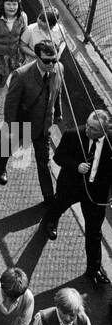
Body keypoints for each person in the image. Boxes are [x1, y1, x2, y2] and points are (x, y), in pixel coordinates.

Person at [46, 109, 112, 283]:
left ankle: (94, 269)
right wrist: (76, 166)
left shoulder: (111, 144)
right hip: (71, 186)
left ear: (105, 131)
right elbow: (58, 157)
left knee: (94, 232)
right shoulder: (73, 134)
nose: (88, 131)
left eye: (94, 129)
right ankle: (51, 221)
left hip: (96, 194)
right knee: (58, 205)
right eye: (88, 126)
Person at [0, 39, 63, 200]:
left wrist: (58, 114)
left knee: (43, 161)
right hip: (22, 124)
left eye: (54, 60)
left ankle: (48, 197)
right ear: (37, 57)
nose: (51, 64)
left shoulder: (59, 69)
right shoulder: (21, 75)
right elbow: (10, 105)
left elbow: (57, 92)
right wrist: (11, 126)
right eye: (47, 61)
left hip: (44, 126)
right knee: (8, 148)